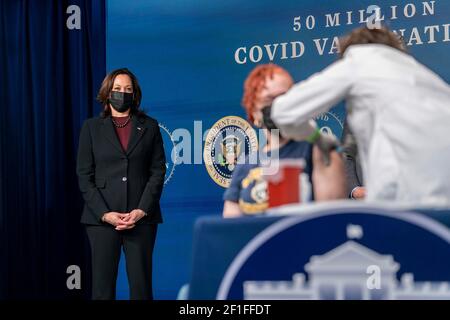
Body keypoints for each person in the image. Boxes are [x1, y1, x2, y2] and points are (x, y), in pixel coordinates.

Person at [271, 26, 450, 207]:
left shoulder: (359, 60)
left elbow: (283, 111)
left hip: (404, 197)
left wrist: (316, 137)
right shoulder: (425, 75)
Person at [76, 68, 166, 300]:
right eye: (117, 89)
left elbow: (157, 171)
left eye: (128, 89)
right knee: (102, 290)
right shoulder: (91, 128)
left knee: (141, 288)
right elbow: (84, 175)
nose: (122, 93)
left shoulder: (150, 126)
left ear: (134, 94)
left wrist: (141, 210)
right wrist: (105, 214)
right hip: (102, 221)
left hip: (141, 219)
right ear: (107, 93)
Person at [223, 64, 346, 217]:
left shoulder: (317, 150)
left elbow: (330, 218)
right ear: (253, 112)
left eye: (284, 98)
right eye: (269, 100)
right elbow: (231, 227)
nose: (278, 107)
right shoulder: (246, 164)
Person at [341, 120, 365, 200]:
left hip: (401, 198)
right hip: (364, 201)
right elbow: (347, 155)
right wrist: (355, 189)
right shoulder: (359, 110)